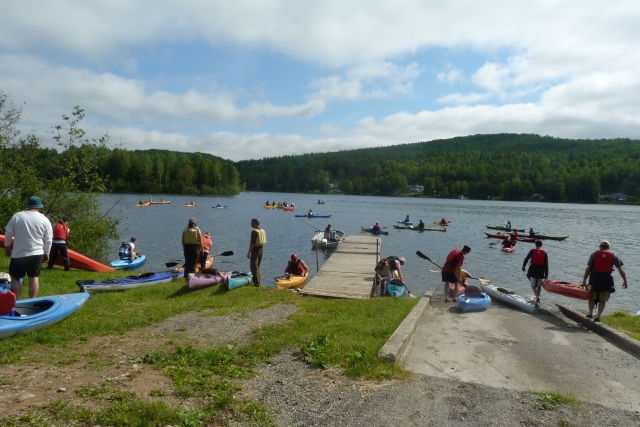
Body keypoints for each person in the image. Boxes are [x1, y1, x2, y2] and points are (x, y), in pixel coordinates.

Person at [3, 196, 53, 300]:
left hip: (19, 253)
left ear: (28, 205)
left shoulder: (17, 216)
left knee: (15, 278)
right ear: (39, 207)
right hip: (37, 253)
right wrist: (46, 253)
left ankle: (17, 300)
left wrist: (7, 247)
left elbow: (8, 233)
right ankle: (32, 300)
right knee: (33, 278)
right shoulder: (44, 219)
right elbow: (48, 239)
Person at [581, 241, 628, 322]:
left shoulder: (594, 254)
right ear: (608, 248)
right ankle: (598, 316)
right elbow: (621, 269)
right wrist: (625, 281)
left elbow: (588, 268)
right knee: (603, 299)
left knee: (592, 297)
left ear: (600, 247)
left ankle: (590, 313)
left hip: (594, 279)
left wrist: (584, 281)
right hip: (606, 279)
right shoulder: (613, 255)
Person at [522, 240, 548, 308]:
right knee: (539, 285)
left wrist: (523, 267)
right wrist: (546, 275)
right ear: (541, 245)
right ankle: (537, 298)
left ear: (535, 245)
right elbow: (546, 265)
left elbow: (526, 259)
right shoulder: (545, 253)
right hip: (541, 270)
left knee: (533, 285)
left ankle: (537, 297)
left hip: (533, 269)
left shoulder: (532, 251)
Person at [248, 218, 266, 286]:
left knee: (253, 267)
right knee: (257, 267)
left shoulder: (254, 231)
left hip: (255, 251)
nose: (251, 224)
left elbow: (252, 243)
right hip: (261, 250)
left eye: (251, 223)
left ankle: (256, 283)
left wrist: (249, 252)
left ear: (254, 223)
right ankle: (258, 281)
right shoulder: (262, 230)